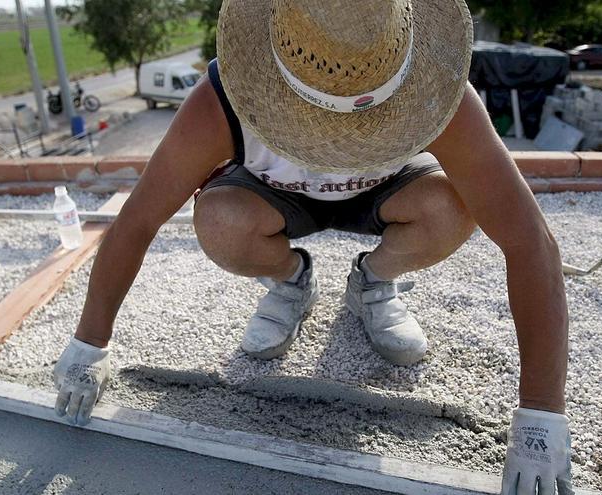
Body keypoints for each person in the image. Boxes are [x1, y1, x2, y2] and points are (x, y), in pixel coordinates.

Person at [52, 0, 574, 493]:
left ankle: (373, 281)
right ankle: (291, 280)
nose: (339, 143)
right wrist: (88, 343)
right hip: (278, 200)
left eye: (360, 125)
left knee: (452, 209)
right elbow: (138, 220)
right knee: (221, 221)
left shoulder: (440, 89)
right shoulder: (222, 100)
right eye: (321, 127)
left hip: (386, 194)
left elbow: (529, 240)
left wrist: (541, 414)